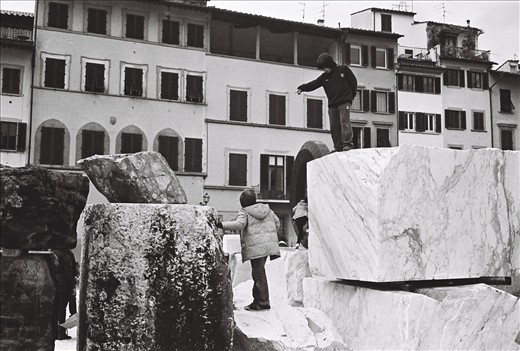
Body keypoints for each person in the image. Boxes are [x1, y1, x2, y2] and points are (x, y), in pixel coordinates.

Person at [217, 189, 280, 311]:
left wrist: (221, 225)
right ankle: (259, 300)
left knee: (258, 274)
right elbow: (277, 223)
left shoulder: (245, 212)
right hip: (267, 246)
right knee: (260, 273)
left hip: (255, 247)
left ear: (242, 203)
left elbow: (239, 225)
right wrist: (268, 236)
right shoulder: (267, 210)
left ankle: (262, 301)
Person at [297, 52, 358, 152]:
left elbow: (353, 81)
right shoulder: (324, 77)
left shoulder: (343, 69)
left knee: (344, 122)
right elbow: (314, 84)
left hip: (344, 101)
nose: (325, 70)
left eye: (325, 68)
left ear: (330, 64)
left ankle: (347, 145)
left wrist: (351, 95)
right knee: (334, 126)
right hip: (333, 104)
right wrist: (302, 88)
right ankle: (338, 147)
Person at [52, 249, 77, 340]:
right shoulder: (67, 256)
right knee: (62, 308)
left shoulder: (53, 253)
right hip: (64, 285)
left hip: (54, 283)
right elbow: (68, 274)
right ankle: (61, 332)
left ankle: (54, 332)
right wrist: (72, 285)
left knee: (55, 308)